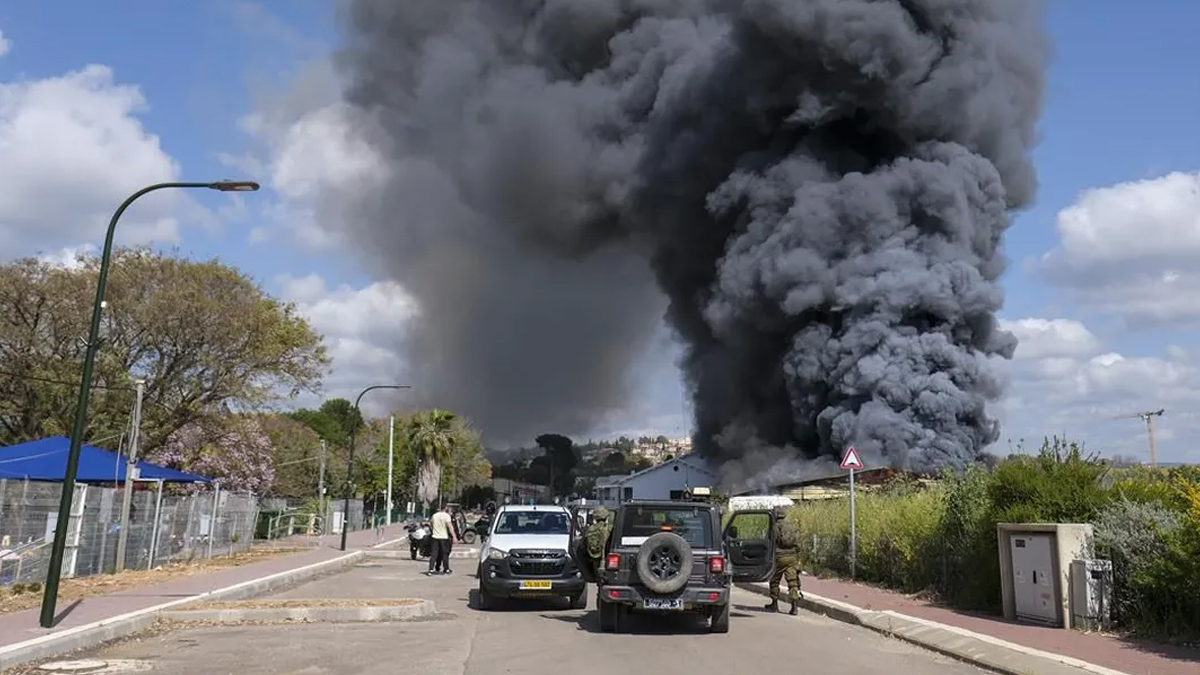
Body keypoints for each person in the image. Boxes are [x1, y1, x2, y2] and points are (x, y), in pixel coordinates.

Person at [765, 508, 803, 615]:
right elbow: (798, 543)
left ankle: (774, 604)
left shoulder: (774, 527)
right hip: (792, 558)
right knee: (793, 582)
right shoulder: (792, 527)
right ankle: (794, 607)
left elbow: (770, 543)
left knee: (774, 580)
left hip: (779, 558)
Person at [584, 506, 612, 580]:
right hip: (608, 558)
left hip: (595, 559)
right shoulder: (610, 528)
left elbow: (584, 544)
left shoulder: (590, 529)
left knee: (599, 580)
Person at [428, 504, 454, 575]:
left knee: (434, 554)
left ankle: (430, 569)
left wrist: (433, 531)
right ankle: (446, 569)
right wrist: (454, 536)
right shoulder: (447, 516)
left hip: (435, 537)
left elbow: (431, 524)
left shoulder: (434, 515)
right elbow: (450, 527)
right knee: (445, 554)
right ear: (445, 508)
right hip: (444, 537)